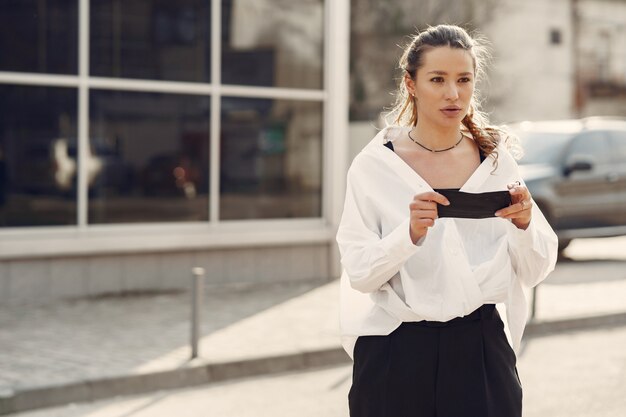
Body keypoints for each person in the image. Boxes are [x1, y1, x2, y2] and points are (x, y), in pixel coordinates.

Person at [336, 24, 558, 417]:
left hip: (481, 351)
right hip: (394, 352)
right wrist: (408, 235)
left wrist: (524, 225)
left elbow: (534, 270)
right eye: (437, 79)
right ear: (411, 84)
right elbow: (360, 274)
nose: (453, 93)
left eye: (463, 79)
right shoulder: (374, 167)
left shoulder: (496, 163)